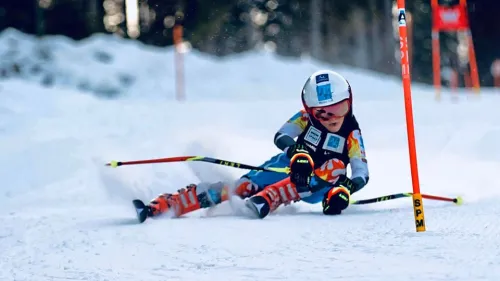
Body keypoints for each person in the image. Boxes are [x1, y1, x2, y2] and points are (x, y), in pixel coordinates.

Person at [143, 70, 369, 219]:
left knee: (336, 165)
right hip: (289, 167)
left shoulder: (352, 135)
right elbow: (282, 135)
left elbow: (361, 173)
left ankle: (271, 198)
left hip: (319, 185)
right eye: (321, 112)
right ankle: (172, 204)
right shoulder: (303, 118)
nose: (332, 118)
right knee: (241, 187)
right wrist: (296, 152)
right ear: (310, 110)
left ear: (349, 103)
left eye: (339, 108)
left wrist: (346, 188)